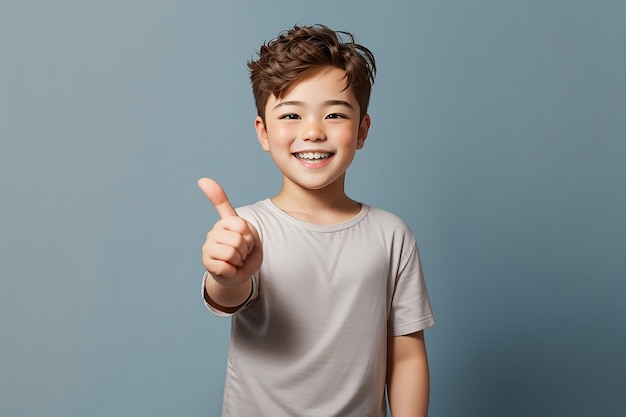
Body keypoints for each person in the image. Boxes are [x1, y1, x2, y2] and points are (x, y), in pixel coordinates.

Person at [198, 24, 435, 417]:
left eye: (334, 115)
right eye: (291, 115)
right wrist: (226, 276)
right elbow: (227, 296)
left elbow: (407, 355)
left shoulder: (392, 235)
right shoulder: (247, 230)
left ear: (361, 131)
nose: (312, 132)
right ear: (264, 132)